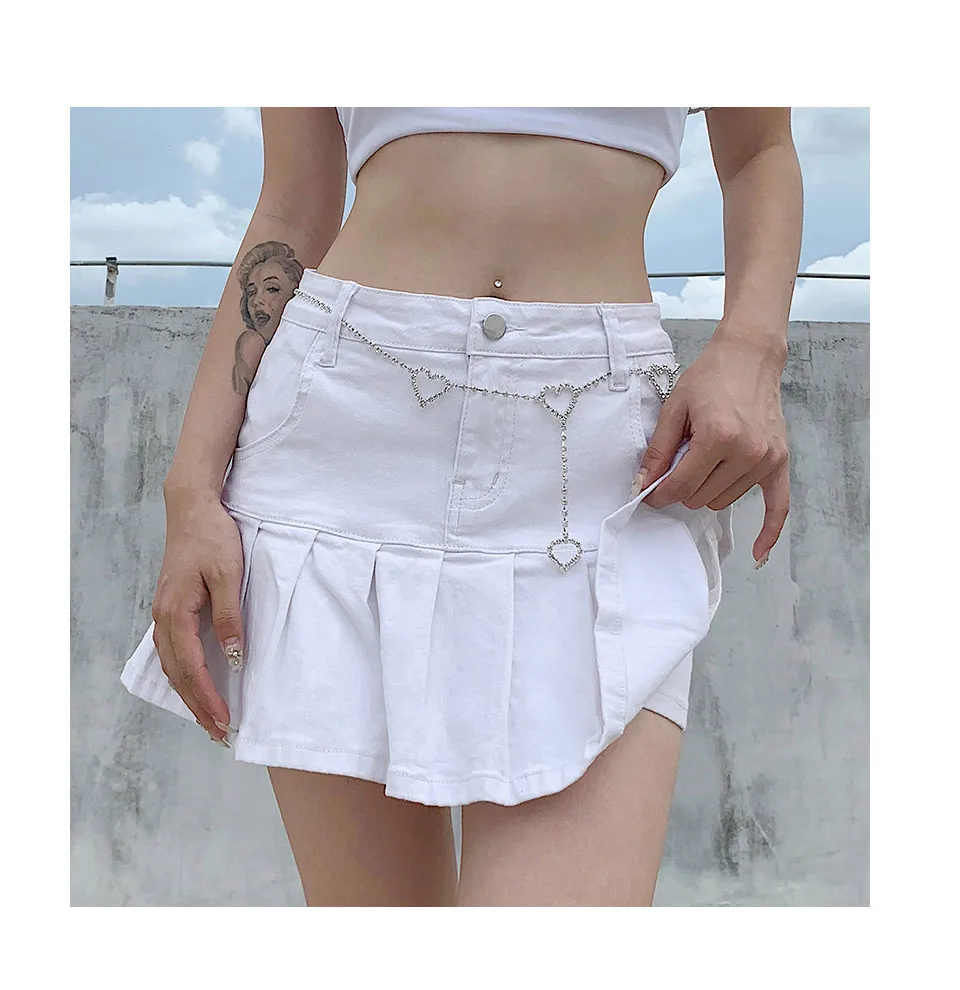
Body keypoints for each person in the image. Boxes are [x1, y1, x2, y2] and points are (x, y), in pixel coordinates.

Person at [121, 107, 802, 907]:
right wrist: (191, 490)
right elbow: (292, 209)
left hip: (585, 457)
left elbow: (759, 153)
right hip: (344, 426)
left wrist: (752, 347)